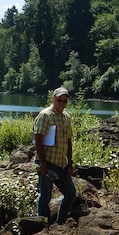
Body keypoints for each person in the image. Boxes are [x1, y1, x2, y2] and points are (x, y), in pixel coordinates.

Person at [33, 86, 76, 224]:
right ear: (53, 99)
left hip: (61, 163)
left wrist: (70, 163)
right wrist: (43, 164)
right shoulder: (45, 115)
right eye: (59, 100)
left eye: (65, 101)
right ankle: (43, 224)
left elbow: (68, 141)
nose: (62, 103)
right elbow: (38, 139)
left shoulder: (66, 117)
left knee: (70, 193)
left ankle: (59, 223)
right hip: (47, 162)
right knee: (45, 196)